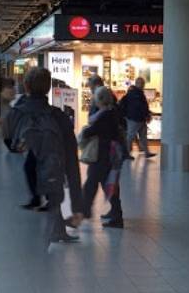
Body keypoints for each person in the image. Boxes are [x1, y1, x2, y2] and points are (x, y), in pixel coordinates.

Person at [8, 67, 85, 245]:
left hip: (34, 169)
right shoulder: (59, 117)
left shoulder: (18, 113)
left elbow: (12, 140)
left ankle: (58, 232)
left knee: (54, 201)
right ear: (49, 88)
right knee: (54, 198)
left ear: (26, 87)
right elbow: (72, 163)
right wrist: (78, 206)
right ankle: (57, 232)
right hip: (53, 169)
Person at [79, 87, 126, 228]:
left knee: (92, 183)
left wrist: (84, 132)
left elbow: (91, 131)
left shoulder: (105, 115)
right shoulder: (111, 112)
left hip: (103, 154)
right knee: (107, 185)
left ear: (100, 100)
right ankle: (115, 215)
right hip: (109, 154)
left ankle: (84, 212)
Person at [120, 77, 154, 160]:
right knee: (131, 136)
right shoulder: (136, 93)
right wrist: (147, 114)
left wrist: (147, 114)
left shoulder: (134, 92)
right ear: (138, 83)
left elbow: (142, 106)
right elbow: (140, 106)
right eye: (141, 83)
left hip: (137, 118)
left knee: (141, 136)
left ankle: (146, 152)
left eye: (143, 83)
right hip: (135, 119)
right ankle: (127, 153)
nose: (143, 85)